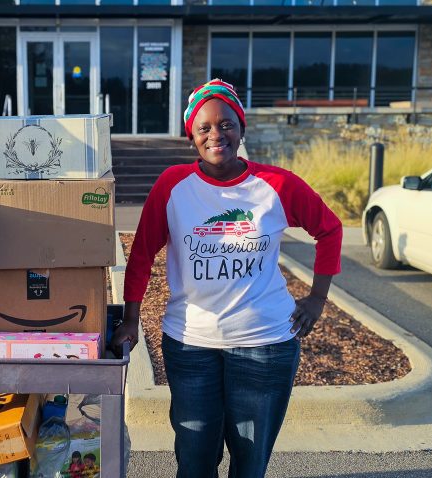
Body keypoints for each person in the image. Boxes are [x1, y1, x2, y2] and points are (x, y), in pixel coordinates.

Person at [111, 79, 343, 478]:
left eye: (226, 124)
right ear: (191, 137)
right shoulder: (173, 186)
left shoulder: (277, 185)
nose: (216, 134)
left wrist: (317, 298)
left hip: (265, 345)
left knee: (249, 464)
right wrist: (131, 320)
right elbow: (142, 254)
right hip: (190, 345)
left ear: (241, 129)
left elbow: (330, 229)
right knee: (194, 458)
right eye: (204, 128)